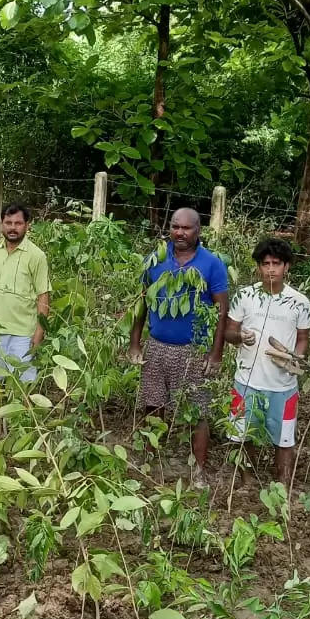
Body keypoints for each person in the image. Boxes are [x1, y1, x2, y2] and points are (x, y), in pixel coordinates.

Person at [127, 207, 229, 486]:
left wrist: (215, 353)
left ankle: (198, 470)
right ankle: (150, 458)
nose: (180, 233)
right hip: (157, 345)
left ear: (198, 231)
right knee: (153, 403)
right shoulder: (156, 260)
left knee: (197, 411)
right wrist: (135, 343)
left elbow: (222, 310)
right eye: (175, 227)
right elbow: (142, 302)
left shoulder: (211, 264)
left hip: (193, 350)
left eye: (186, 228)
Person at [225, 238, 310, 487]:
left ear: (287, 267)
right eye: (266, 264)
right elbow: (229, 332)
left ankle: (282, 486)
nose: (271, 269)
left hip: (283, 385)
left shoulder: (299, 302)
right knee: (242, 434)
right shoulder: (245, 296)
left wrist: (294, 358)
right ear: (258, 267)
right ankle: (247, 480)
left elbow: (304, 339)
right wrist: (240, 337)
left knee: (284, 439)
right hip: (246, 381)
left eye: (276, 264)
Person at [0, 203, 50, 384]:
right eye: (8, 223)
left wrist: (39, 333)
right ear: (1, 224)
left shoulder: (36, 256)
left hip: (23, 334)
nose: (13, 228)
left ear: (27, 225)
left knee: (22, 387)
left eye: (18, 223)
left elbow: (43, 296)